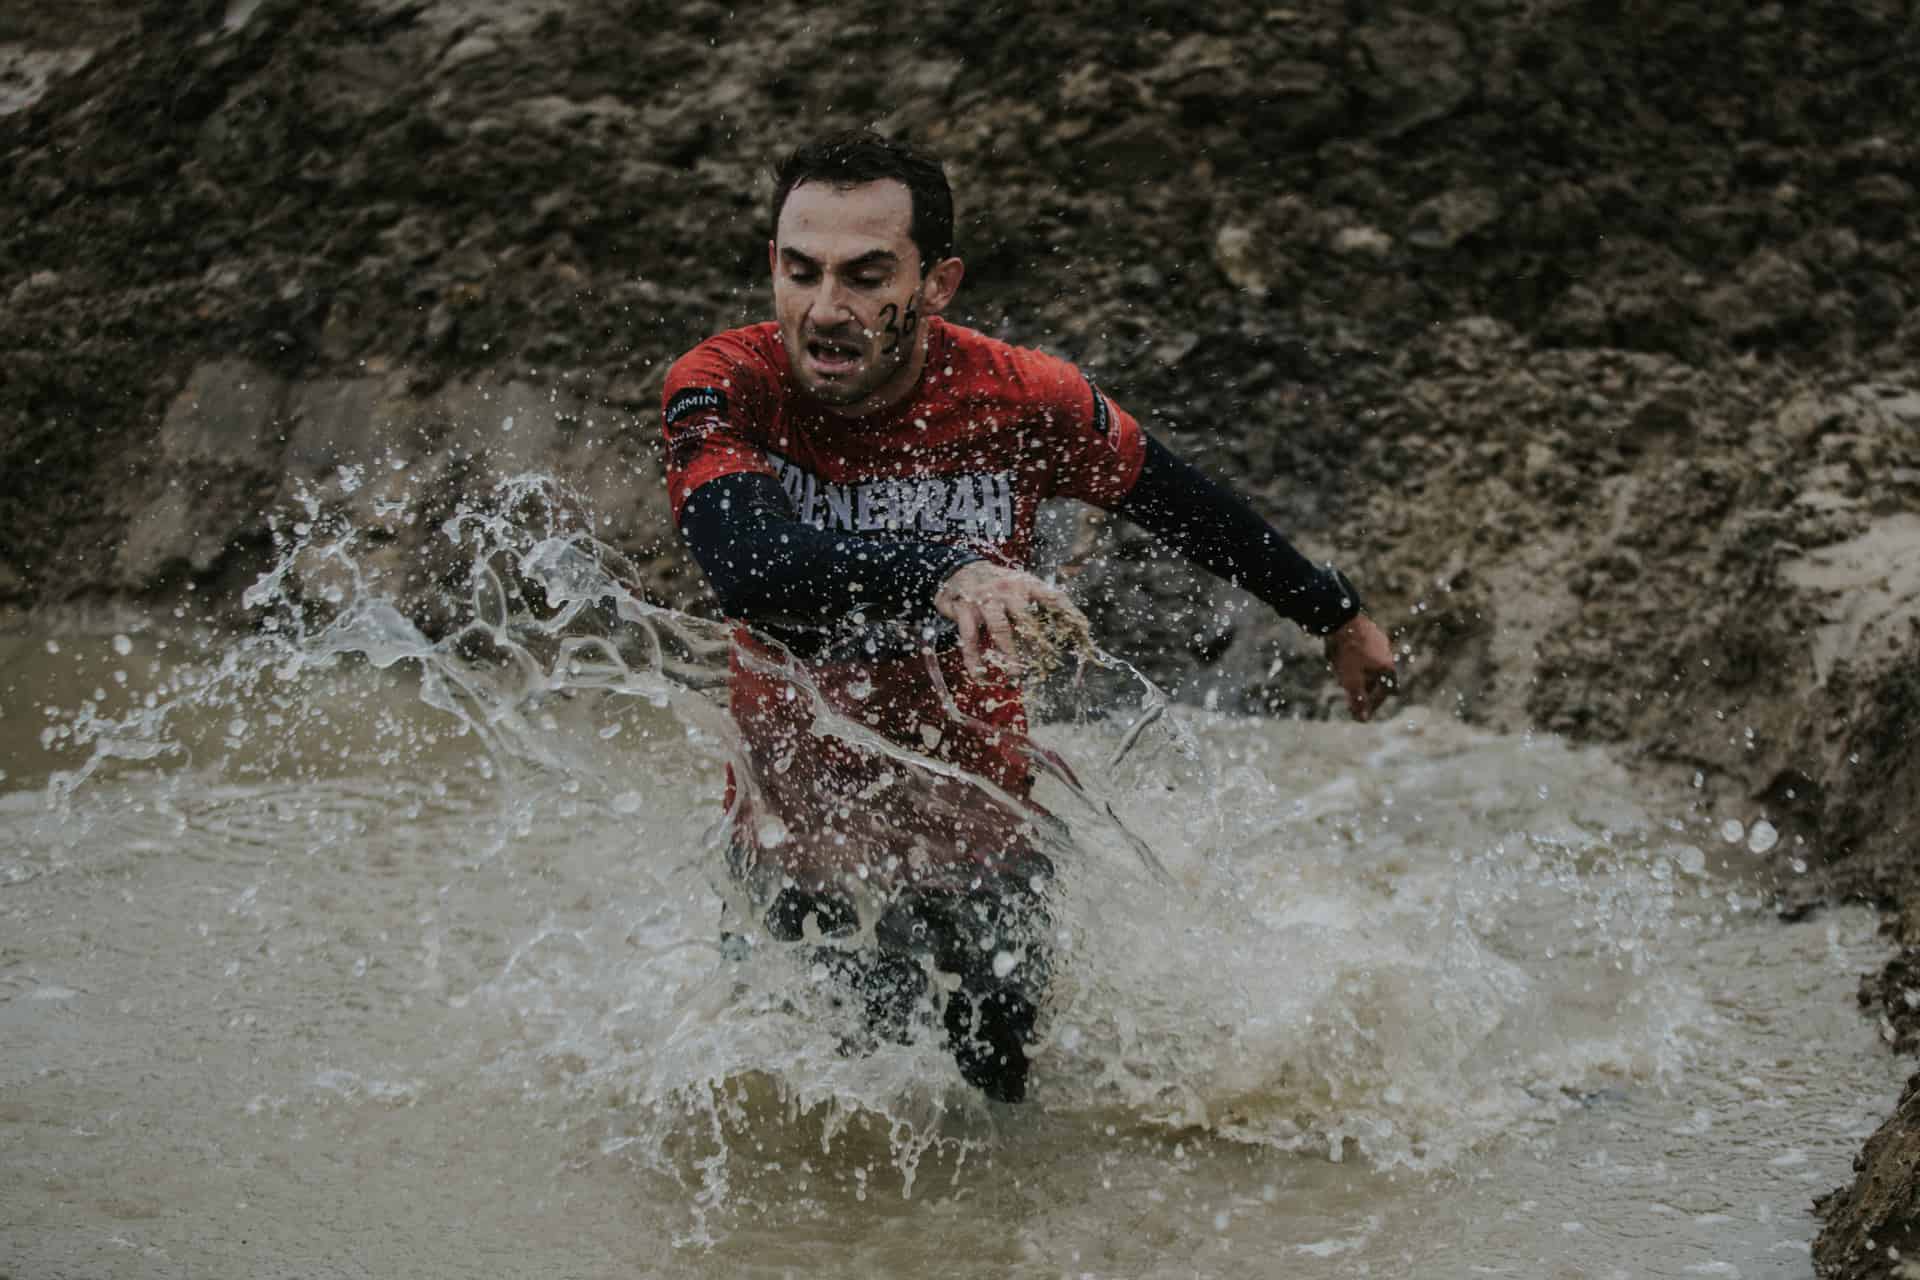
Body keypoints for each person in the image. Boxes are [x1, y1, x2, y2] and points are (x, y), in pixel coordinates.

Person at [662, 130, 1395, 1103]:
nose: (827, 309)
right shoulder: (727, 385)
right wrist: (945, 570)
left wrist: (1334, 614)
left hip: (982, 860)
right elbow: (754, 570)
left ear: (936, 283)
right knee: (803, 1136)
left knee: (1003, 1133)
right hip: (803, 864)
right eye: (802, 272)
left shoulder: (1020, 398)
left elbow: (1186, 506)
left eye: (867, 276)